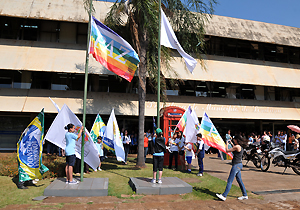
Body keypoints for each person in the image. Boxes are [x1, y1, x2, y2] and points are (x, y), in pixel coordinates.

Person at [216, 134, 248, 201]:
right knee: (239, 181)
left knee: (230, 181)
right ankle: (245, 195)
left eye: (234, 139)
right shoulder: (239, 146)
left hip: (236, 165)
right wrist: (232, 144)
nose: (233, 140)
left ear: (236, 140)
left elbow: (227, 150)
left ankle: (224, 196)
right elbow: (235, 148)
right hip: (239, 165)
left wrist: (227, 144)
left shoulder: (237, 147)